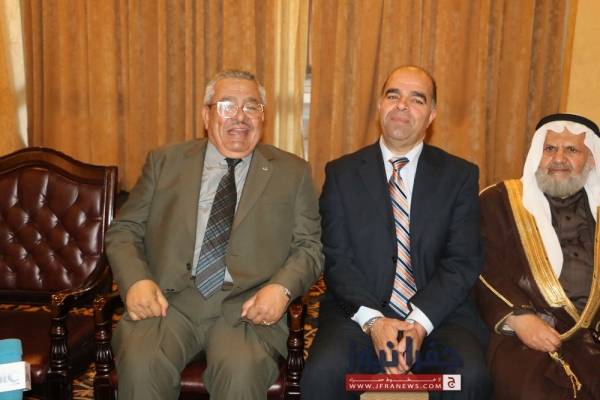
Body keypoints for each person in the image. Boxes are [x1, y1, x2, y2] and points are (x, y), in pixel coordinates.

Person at [105, 70, 323, 400]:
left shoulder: (292, 172)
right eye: (227, 106)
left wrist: (281, 288)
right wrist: (136, 280)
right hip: (169, 301)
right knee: (142, 365)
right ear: (206, 116)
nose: (240, 116)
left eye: (252, 107)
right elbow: (125, 229)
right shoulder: (166, 161)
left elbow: (309, 246)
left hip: (247, 307)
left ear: (263, 118)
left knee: (241, 372)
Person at [301, 65, 491, 399]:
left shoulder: (459, 176)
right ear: (380, 105)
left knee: (468, 378)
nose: (402, 105)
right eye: (393, 95)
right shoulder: (342, 173)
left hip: (439, 318)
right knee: (321, 375)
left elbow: (462, 260)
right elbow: (336, 258)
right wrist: (375, 322)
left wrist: (419, 323)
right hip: (357, 316)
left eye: (417, 99)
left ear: (431, 115)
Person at [476, 113, 600, 400]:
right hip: (525, 336)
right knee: (532, 391)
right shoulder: (498, 201)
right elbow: (483, 267)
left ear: (591, 160)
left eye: (572, 150)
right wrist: (518, 317)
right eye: (550, 148)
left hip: (592, 337)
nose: (559, 158)